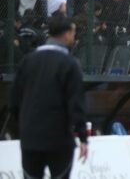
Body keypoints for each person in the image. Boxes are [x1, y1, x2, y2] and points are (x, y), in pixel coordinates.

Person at [9, 17, 89, 179]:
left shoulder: (28, 60)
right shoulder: (70, 63)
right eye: (73, 33)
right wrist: (82, 136)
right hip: (59, 139)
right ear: (67, 34)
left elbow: (14, 100)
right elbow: (76, 103)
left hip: (30, 138)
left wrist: (24, 125)